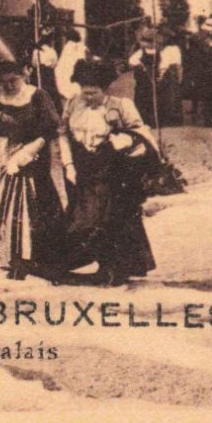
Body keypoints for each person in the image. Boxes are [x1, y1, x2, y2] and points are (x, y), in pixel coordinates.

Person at [0, 60, 71, 281]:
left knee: (30, 203)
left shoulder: (38, 96)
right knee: (1, 204)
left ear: (24, 74)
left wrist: (28, 152)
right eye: (2, 82)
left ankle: (39, 258)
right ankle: (10, 258)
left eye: (13, 80)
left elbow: (51, 129)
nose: (8, 85)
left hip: (31, 152)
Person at [61, 75, 158, 286]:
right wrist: (68, 165)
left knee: (110, 217)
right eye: (84, 91)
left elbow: (139, 131)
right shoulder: (73, 104)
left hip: (111, 166)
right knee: (84, 217)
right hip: (81, 166)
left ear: (104, 89)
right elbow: (63, 134)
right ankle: (102, 264)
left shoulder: (121, 105)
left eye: (93, 92)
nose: (87, 96)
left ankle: (116, 268)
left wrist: (124, 140)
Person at [129, 27, 185, 128]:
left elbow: (164, 64)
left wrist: (160, 74)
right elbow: (132, 61)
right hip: (144, 80)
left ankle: (154, 121)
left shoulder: (158, 52)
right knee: (145, 99)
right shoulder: (144, 52)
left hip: (151, 79)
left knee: (153, 100)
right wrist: (141, 66)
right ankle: (148, 120)